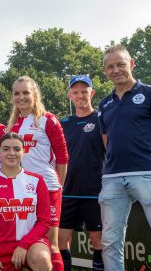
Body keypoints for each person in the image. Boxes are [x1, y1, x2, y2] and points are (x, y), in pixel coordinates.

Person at [98, 44, 151, 270]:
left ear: (132, 64)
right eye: (110, 67)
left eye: (120, 64)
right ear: (104, 70)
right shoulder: (104, 104)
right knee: (110, 243)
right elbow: (108, 143)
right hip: (113, 179)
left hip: (150, 176)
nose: (116, 70)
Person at [7, 76, 69, 270]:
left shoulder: (47, 119)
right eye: (17, 93)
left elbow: (62, 157)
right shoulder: (12, 125)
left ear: (35, 95)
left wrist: (59, 185)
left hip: (47, 187)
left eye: (26, 92)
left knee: (51, 243)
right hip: (23, 191)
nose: (21, 97)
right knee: (27, 242)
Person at [0, 133, 52, 271]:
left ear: (23, 152)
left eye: (17, 149)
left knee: (41, 259)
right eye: (6, 149)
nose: (12, 153)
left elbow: (44, 221)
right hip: (0, 246)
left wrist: (24, 245)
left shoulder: (37, 180)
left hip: (32, 242)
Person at [58, 75, 105, 271]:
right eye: (75, 92)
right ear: (70, 95)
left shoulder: (101, 118)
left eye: (84, 91)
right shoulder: (64, 123)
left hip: (95, 191)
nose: (80, 95)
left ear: (91, 93)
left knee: (98, 241)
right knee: (60, 241)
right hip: (67, 192)